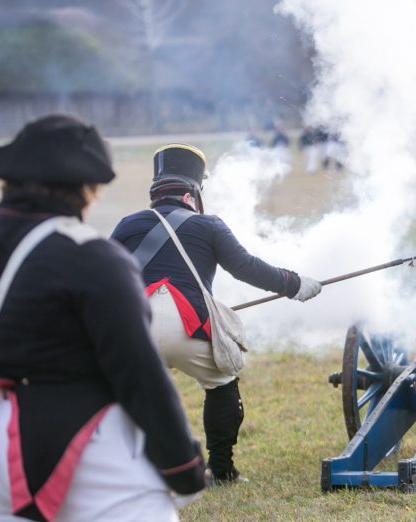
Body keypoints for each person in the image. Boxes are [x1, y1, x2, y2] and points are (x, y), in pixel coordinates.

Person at [0, 114, 205, 522]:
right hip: (86, 453)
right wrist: (183, 466)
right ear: (85, 189)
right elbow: (139, 373)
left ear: (11, 181)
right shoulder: (93, 257)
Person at [111, 144, 322, 485]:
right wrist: (293, 284)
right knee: (221, 382)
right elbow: (246, 268)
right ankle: (221, 469)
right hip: (186, 326)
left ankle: (124, 470)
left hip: (133, 327)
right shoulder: (209, 225)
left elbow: (108, 278)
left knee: (126, 390)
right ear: (191, 193)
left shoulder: (127, 224)